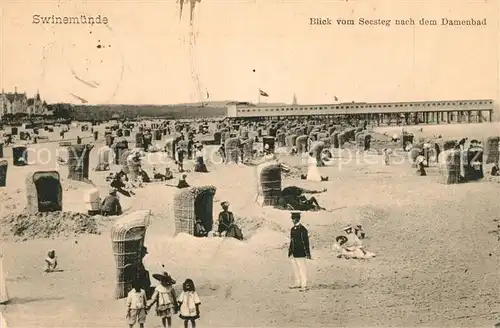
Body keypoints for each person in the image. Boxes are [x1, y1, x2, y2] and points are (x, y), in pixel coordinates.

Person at [288, 212, 311, 291]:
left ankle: (304, 285)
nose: (293, 220)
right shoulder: (292, 229)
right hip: (294, 252)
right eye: (292, 218)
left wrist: (307, 253)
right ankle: (297, 283)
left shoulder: (303, 229)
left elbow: (306, 242)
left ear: (297, 219)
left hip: (300, 252)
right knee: (295, 268)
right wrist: (290, 251)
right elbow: (292, 241)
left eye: (294, 219)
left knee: (302, 269)